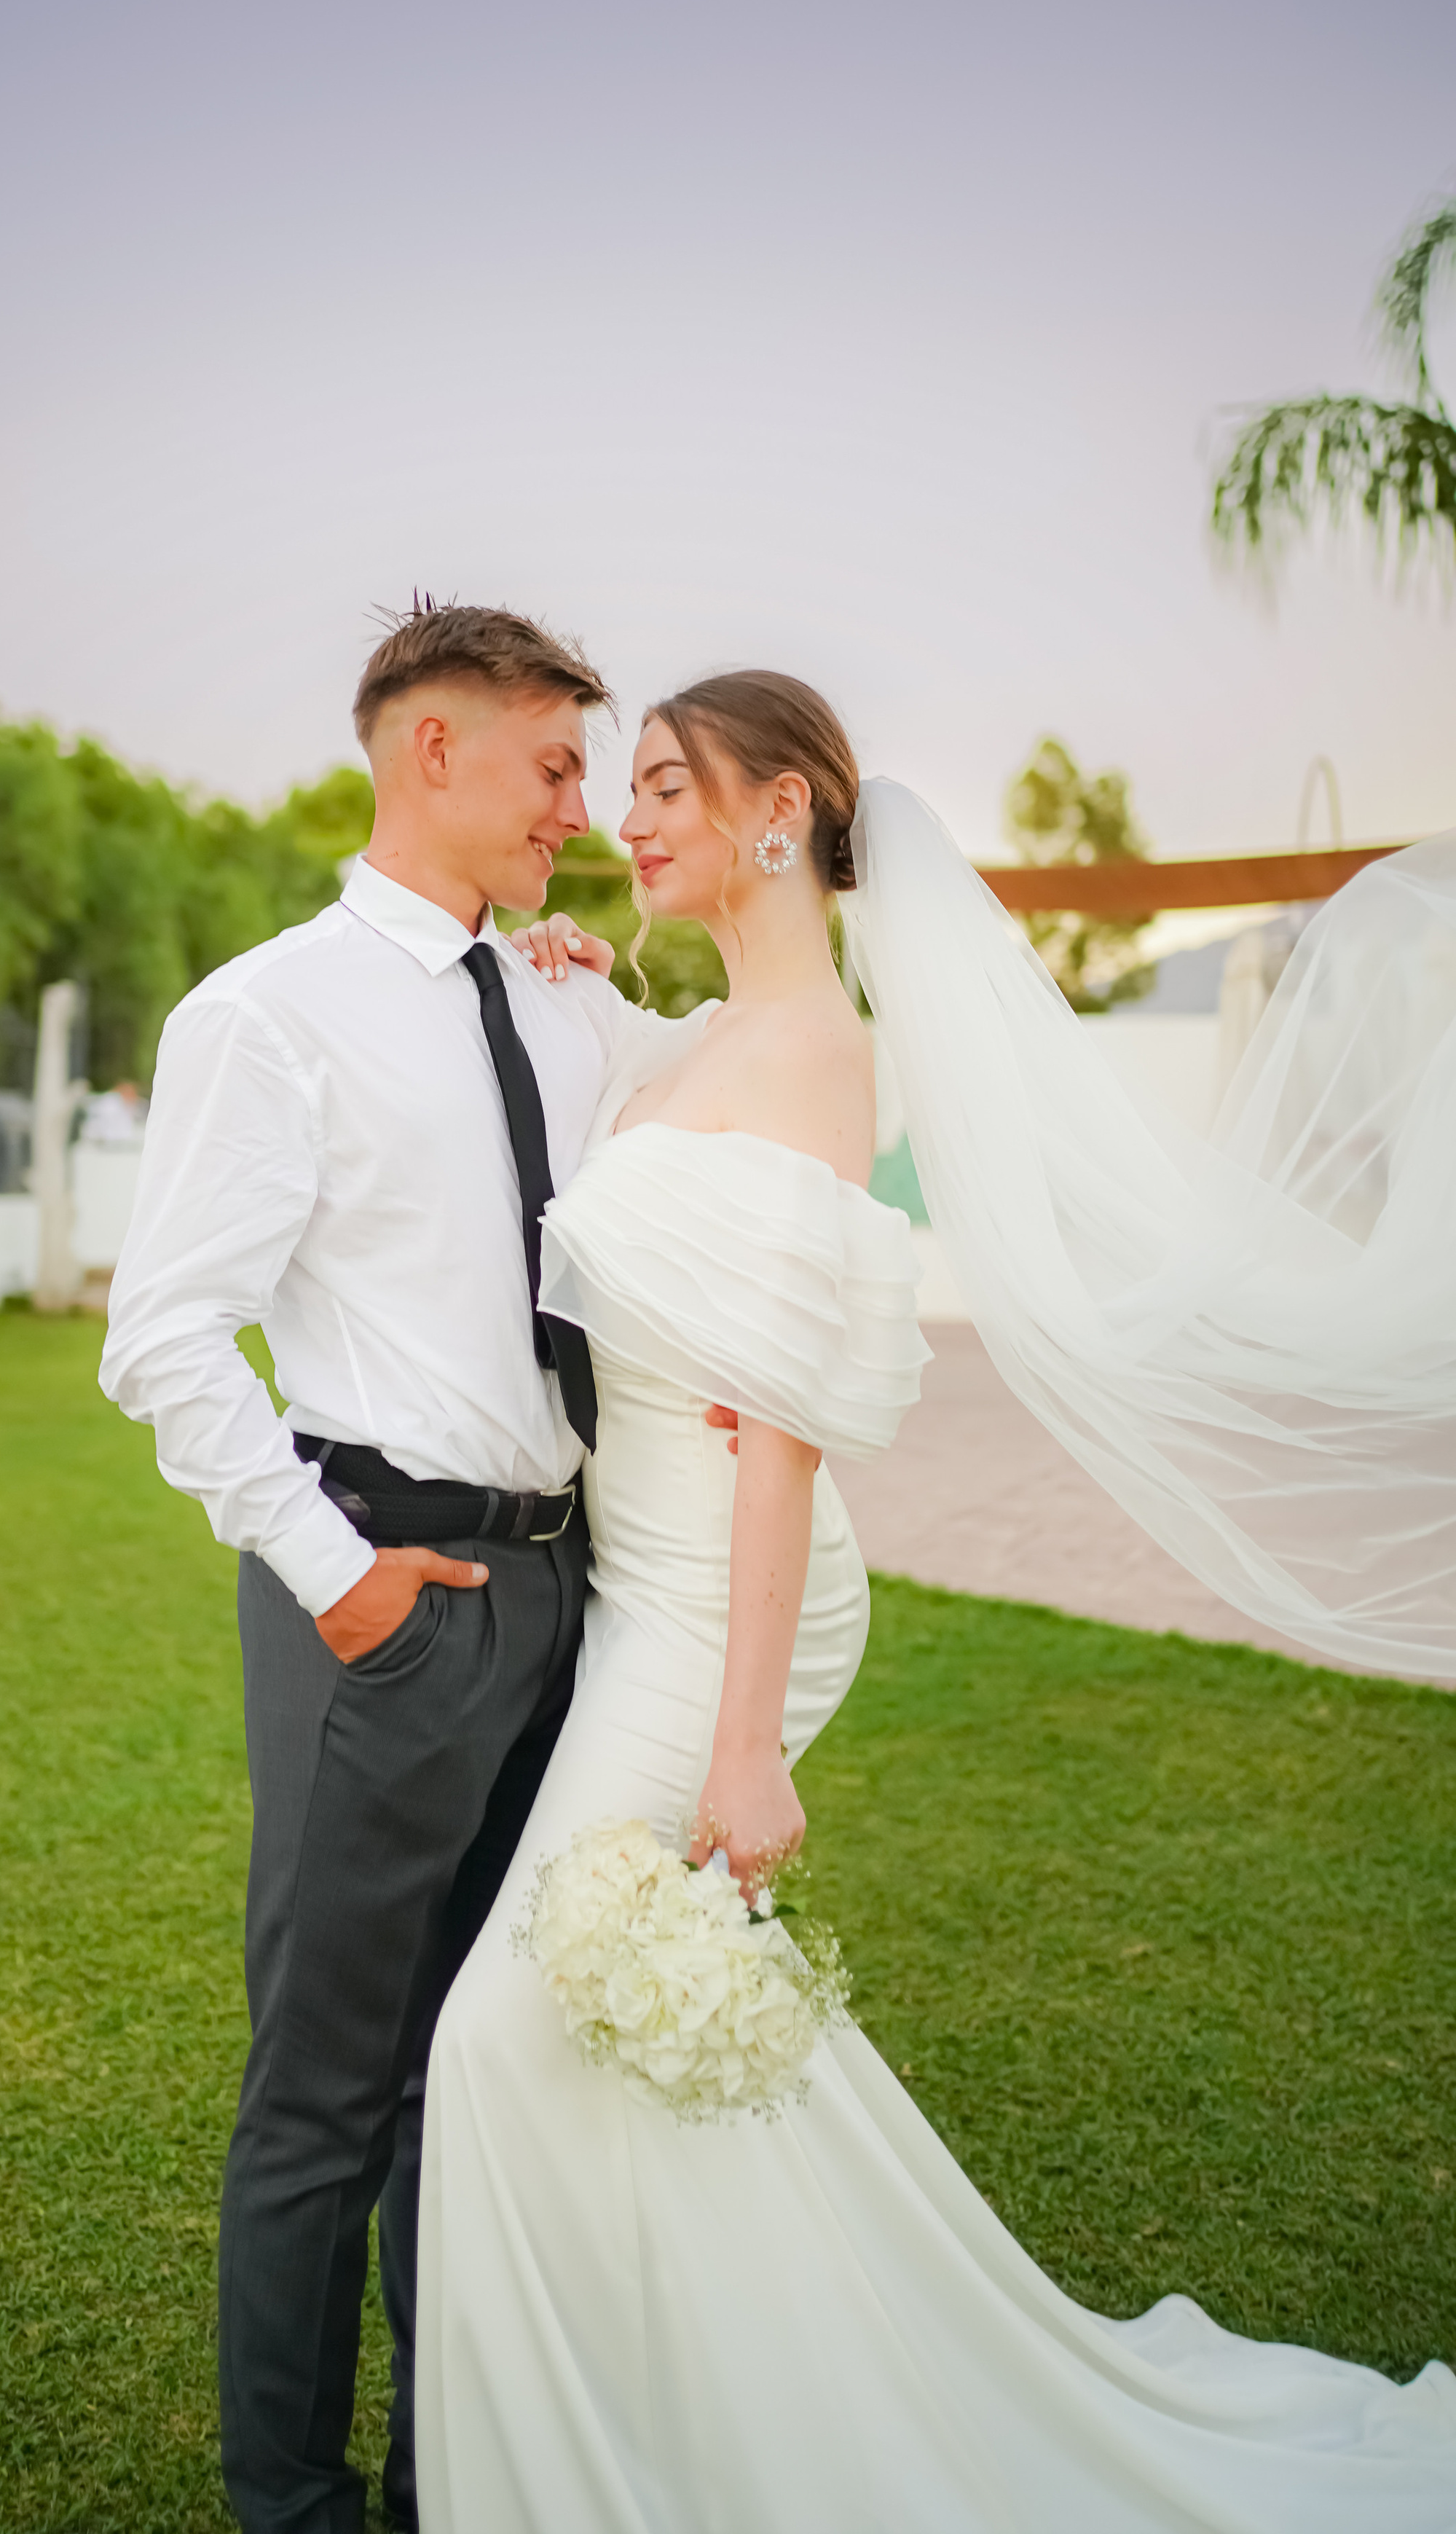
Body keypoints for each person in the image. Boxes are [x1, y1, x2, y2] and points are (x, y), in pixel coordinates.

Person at [415, 670, 1456, 2530]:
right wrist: (584, 988)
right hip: (649, 1584)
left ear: (777, 817)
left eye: (663, 784)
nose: (624, 817)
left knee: (504, 2035)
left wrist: (744, 1749)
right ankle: (705, 2428)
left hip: (725, 1607)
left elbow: (784, 1428)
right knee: (615, 2032)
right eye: (622, 788)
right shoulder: (709, 1034)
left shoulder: (815, 1051)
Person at [99, 605, 700, 2534]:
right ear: (430, 753)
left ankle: (464, 2483)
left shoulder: (557, 997)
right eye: (551, 767)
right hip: (384, 1601)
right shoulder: (265, 1013)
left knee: (478, 2082)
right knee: (327, 2101)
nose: (579, 810)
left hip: (565, 1602)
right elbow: (166, 1338)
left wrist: (674, 952)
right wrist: (331, 1572)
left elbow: (763, 1094)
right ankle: (295, 2507)